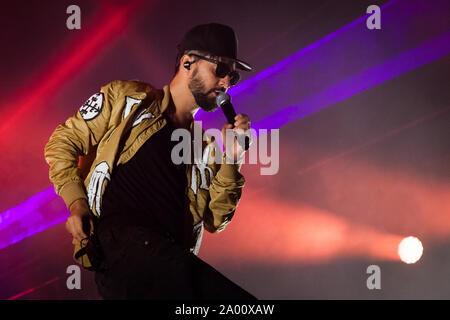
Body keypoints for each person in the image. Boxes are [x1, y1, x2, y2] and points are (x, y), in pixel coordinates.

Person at [44, 23, 256, 299]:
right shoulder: (128, 99)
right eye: (220, 69)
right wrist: (77, 204)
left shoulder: (203, 148)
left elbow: (215, 219)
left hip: (166, 263)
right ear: (187, 62)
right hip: (123, 245)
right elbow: (62, 143)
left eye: (233, 76)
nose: (227, 82)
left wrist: (233, 158)